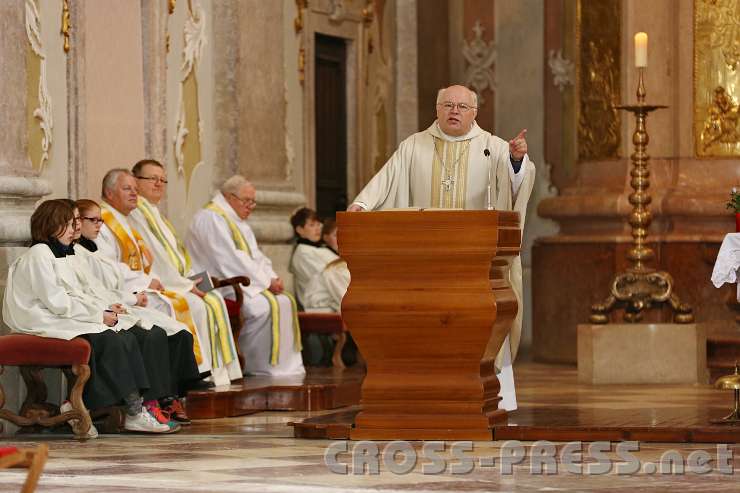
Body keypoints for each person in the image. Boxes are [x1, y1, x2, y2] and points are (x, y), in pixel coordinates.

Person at [347, 85, 535, 410]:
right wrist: (362, 205)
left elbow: (517, 182)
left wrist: (517, 161)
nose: (455, 111)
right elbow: (385, 180)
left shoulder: (494, 148)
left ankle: (490, 393)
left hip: (477, 262)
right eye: (448, 104)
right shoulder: (414, 146)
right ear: (437, 109)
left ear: (474, 112)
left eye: (462, 106)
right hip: (427, 261)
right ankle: (423, 394)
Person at [2, 200, 173, 434]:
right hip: (40, 319)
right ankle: (127, 411)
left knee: (125, 335)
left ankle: (105, 407)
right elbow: (57, 301)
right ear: (51, 224)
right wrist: (97, 315)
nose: (74, 229)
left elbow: (77, 293)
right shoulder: (39, 255)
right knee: (111, 339)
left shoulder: (59, 254)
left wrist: (103, 311)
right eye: (68, 223)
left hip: (58, 315)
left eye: (74, 223)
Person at [73, 198, 200, 425]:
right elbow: (92, 291)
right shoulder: (75, 254)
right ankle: (147, 403)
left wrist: (128, 298)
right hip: (102, 310)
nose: (99, 225)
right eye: (93, 220)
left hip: (115, 305)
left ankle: (170, 396)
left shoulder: (95, 251)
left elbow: (110, 283)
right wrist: (126, 299)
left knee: (179, 332)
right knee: (154, 335)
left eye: (100, 220)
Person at [94, 169, 215, 381]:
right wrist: (146, 282)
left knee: (192, 303)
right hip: (123, 292)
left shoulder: (125, 220)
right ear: (109, 192)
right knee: (185, 306)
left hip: (138, 286)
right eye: (126, 189)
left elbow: (145, 262)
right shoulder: (102, 223)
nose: (134, 193)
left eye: (134, 189)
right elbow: (107, 266)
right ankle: (178, 379)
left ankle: (195, 373)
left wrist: (155, 280)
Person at [128, 159, 242, 385]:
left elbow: (177, 256)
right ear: (136, 181)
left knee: (214, 298)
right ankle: (198, 371)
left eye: (163, 180)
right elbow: (157, 260)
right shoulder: (137, 214)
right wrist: (187, 285)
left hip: (176, 280)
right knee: (197, 305)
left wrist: (195, 281)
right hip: (160, 284)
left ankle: (219, 372)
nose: (159, 184)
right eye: (153, 178)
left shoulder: (156, 214)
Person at [186, 176, 305, 376]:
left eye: (253, 201)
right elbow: (228, 259)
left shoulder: (236, 220)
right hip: (222, 284)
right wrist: (266, 282)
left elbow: (256, 255)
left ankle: (283, 368)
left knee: (284, 301)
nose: (251, 206)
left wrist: (272, 278)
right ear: (230, 197)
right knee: (261, 307)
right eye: (247, 201)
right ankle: (255, 365)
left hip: (246, 282)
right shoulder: (210, 218)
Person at [289, 208, 349, 313]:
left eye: (318, 225)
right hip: (319, 301)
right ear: (299, 230)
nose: (317, 229)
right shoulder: (303, 252)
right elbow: (326, 277)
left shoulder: (320, 248)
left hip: (336, 293)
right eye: (312, 225)